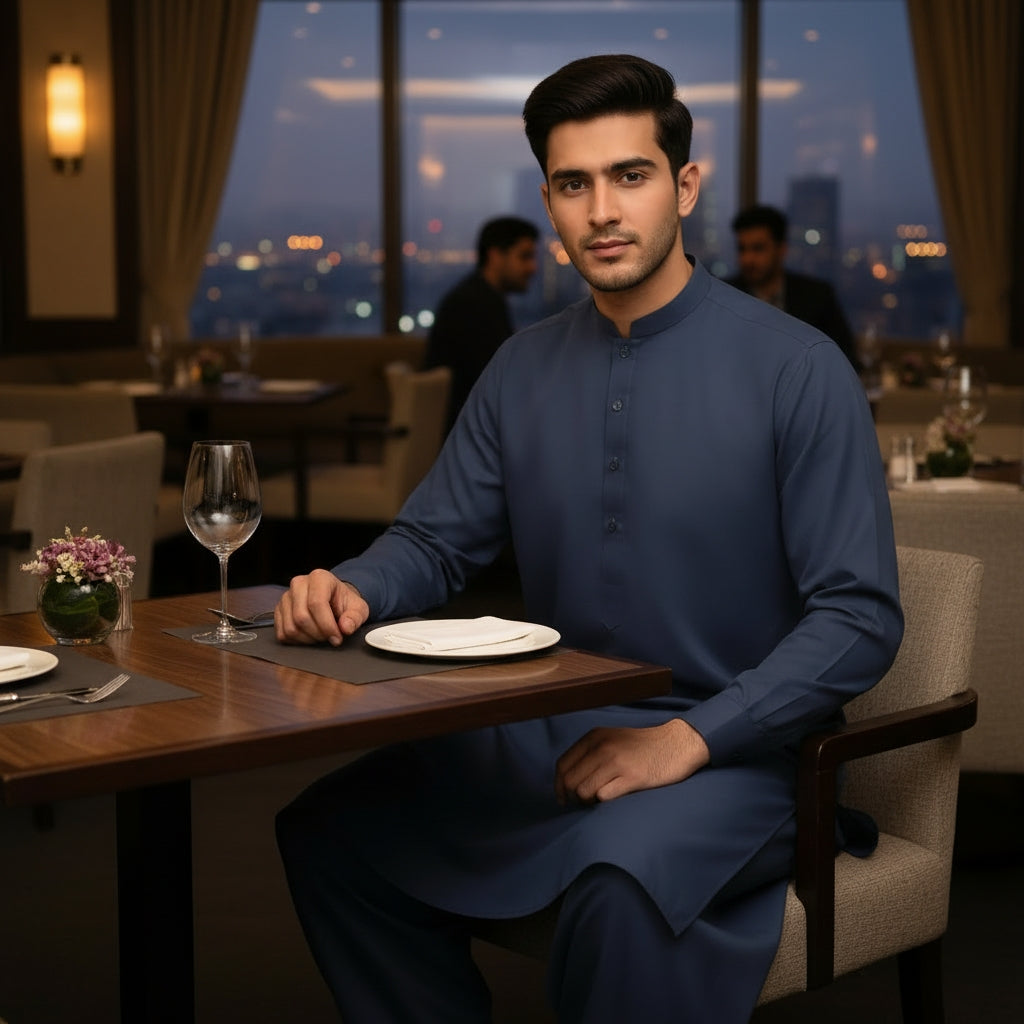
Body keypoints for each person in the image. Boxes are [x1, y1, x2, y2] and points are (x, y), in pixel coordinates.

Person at [274, 54, 902, 1024]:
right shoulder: (519, 368)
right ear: (548, 204)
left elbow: (860, 618)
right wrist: (355, 587)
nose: (602, 211)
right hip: (551, 735)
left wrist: (688, 739)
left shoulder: (798, 370)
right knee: (331, 830)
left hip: (741, 756)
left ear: (684, 187)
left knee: (619, 882)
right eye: (574, 184)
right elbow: (434, 542)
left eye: (630, 175)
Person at [424, 215, 539, 431]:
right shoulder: (474, 305)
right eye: (525, 257)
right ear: (495, 256)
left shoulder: (479, 297)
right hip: (466, 433)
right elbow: (498, 384)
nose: (533, 267)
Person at [726, 203, 860, 370]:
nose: (748, 259)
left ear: (781, 249)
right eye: (742, 249)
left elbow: (844, 359)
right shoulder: (724, 297)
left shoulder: (817, 296)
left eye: (758, 249)